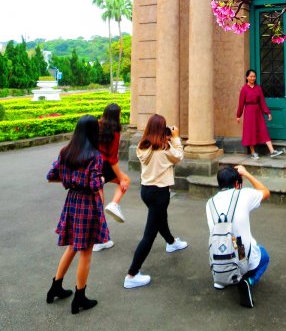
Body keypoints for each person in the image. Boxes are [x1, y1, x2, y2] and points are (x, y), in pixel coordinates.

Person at [46, 115, 109, 314]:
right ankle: (79, 297)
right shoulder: (94, 156)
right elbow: (93, 184)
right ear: (92, 132)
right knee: (86, 252)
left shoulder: (66, 152)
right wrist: (103, 179)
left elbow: (51, 176)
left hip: (72, 200)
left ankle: (55, 286)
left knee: (73, 246)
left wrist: (70, 180)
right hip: (87, 204)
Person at [124, 114, 188, 289]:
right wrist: (175, 138)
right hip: (160, 192)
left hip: (146, 190)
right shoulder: (165, 148)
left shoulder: (142, 146)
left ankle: (172, 243)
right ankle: (132, 274)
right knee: (149, 235)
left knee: (160, 220)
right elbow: (179, 156)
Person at [206, 164, 270, 308]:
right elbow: (265, 192)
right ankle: (248, 280)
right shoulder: (243, 194)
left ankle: (221, 281)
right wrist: (246, 173)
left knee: (225, 242)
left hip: (218, 257)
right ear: (236, 183)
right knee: (263, 255)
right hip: (240, 254)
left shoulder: (209, 203)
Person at [93, 103, 130, 252]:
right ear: (116, 116)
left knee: (98, 205)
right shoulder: (114, 133)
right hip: (105, 166)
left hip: (92, 166)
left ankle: (100, 240)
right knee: (126, 180)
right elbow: (112, 159)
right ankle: (114, 204)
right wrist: (121, 177)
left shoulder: (97, 126)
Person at [236, 69, 283, 159]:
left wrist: (268, 112)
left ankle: (272, 151)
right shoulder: (244, 89)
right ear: (247, 77)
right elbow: (241, 103)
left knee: (263, 129)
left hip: (258, 112)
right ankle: (253, 152)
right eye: (251, 76)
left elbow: (262, 102)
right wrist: (238, 115)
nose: (253, 78)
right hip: (249, 112)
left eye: (254, 76)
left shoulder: (258, 88)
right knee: (250, 131)